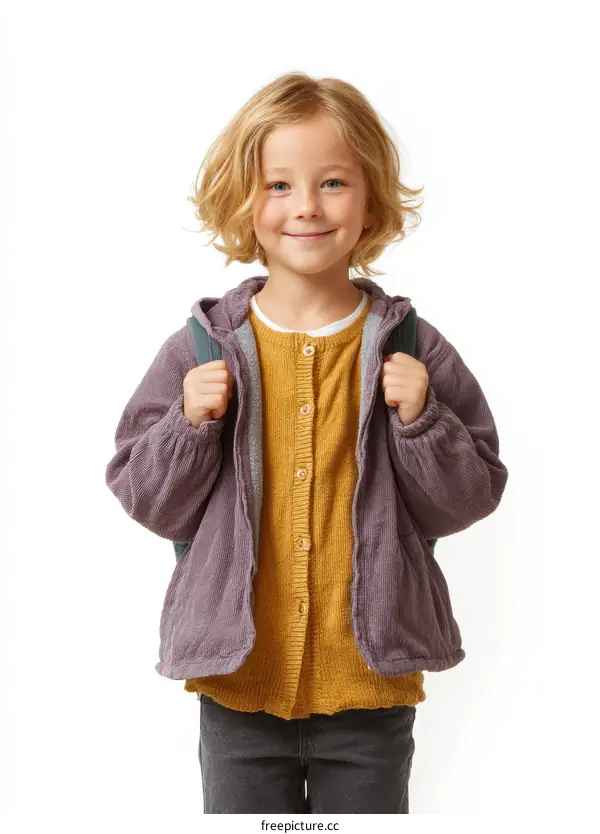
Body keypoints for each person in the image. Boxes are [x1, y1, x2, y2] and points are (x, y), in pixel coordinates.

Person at [105, 71, 509, 814]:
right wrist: (186, 427)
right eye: (278, 185)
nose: (307, 208)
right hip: (238, 685)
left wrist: (423, 421)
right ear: (244, 201)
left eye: (332, 182)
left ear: (371, 200)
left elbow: (471, 495)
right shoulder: (203, 348)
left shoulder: (413, 347)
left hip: (369, 682)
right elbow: (147, 499)